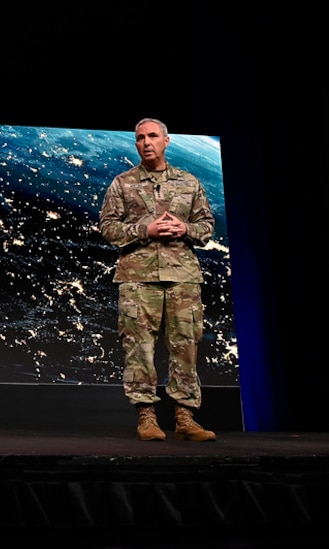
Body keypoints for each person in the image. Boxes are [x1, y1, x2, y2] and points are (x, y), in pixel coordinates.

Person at [99, 118, 217, 442]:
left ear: (166, 141)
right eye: (140, 137)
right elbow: (108, 229)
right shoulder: (122, 184)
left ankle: (185, 418)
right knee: (139, 348)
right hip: (138, 278)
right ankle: (146, 418)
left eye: (153, 136)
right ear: (136, 144)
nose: (146, 142)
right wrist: (144, 230)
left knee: (185, 348)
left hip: (183, 278)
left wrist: (185, 229)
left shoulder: (189, 183)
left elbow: (207, 227)